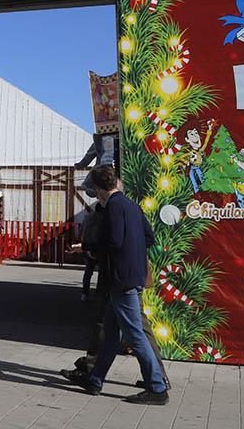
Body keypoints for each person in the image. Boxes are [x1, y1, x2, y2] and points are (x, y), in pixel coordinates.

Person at [64, 166, 169, 405]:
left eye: (93, 189)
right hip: (133, 276)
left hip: (121, 279)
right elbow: (149, 237)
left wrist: (88, 248)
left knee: (135, 335)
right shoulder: (131, 205)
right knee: (111, 335)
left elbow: (114, 241)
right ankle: (95, 380)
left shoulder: (112, 207)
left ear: (99, 189)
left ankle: (157, 387)